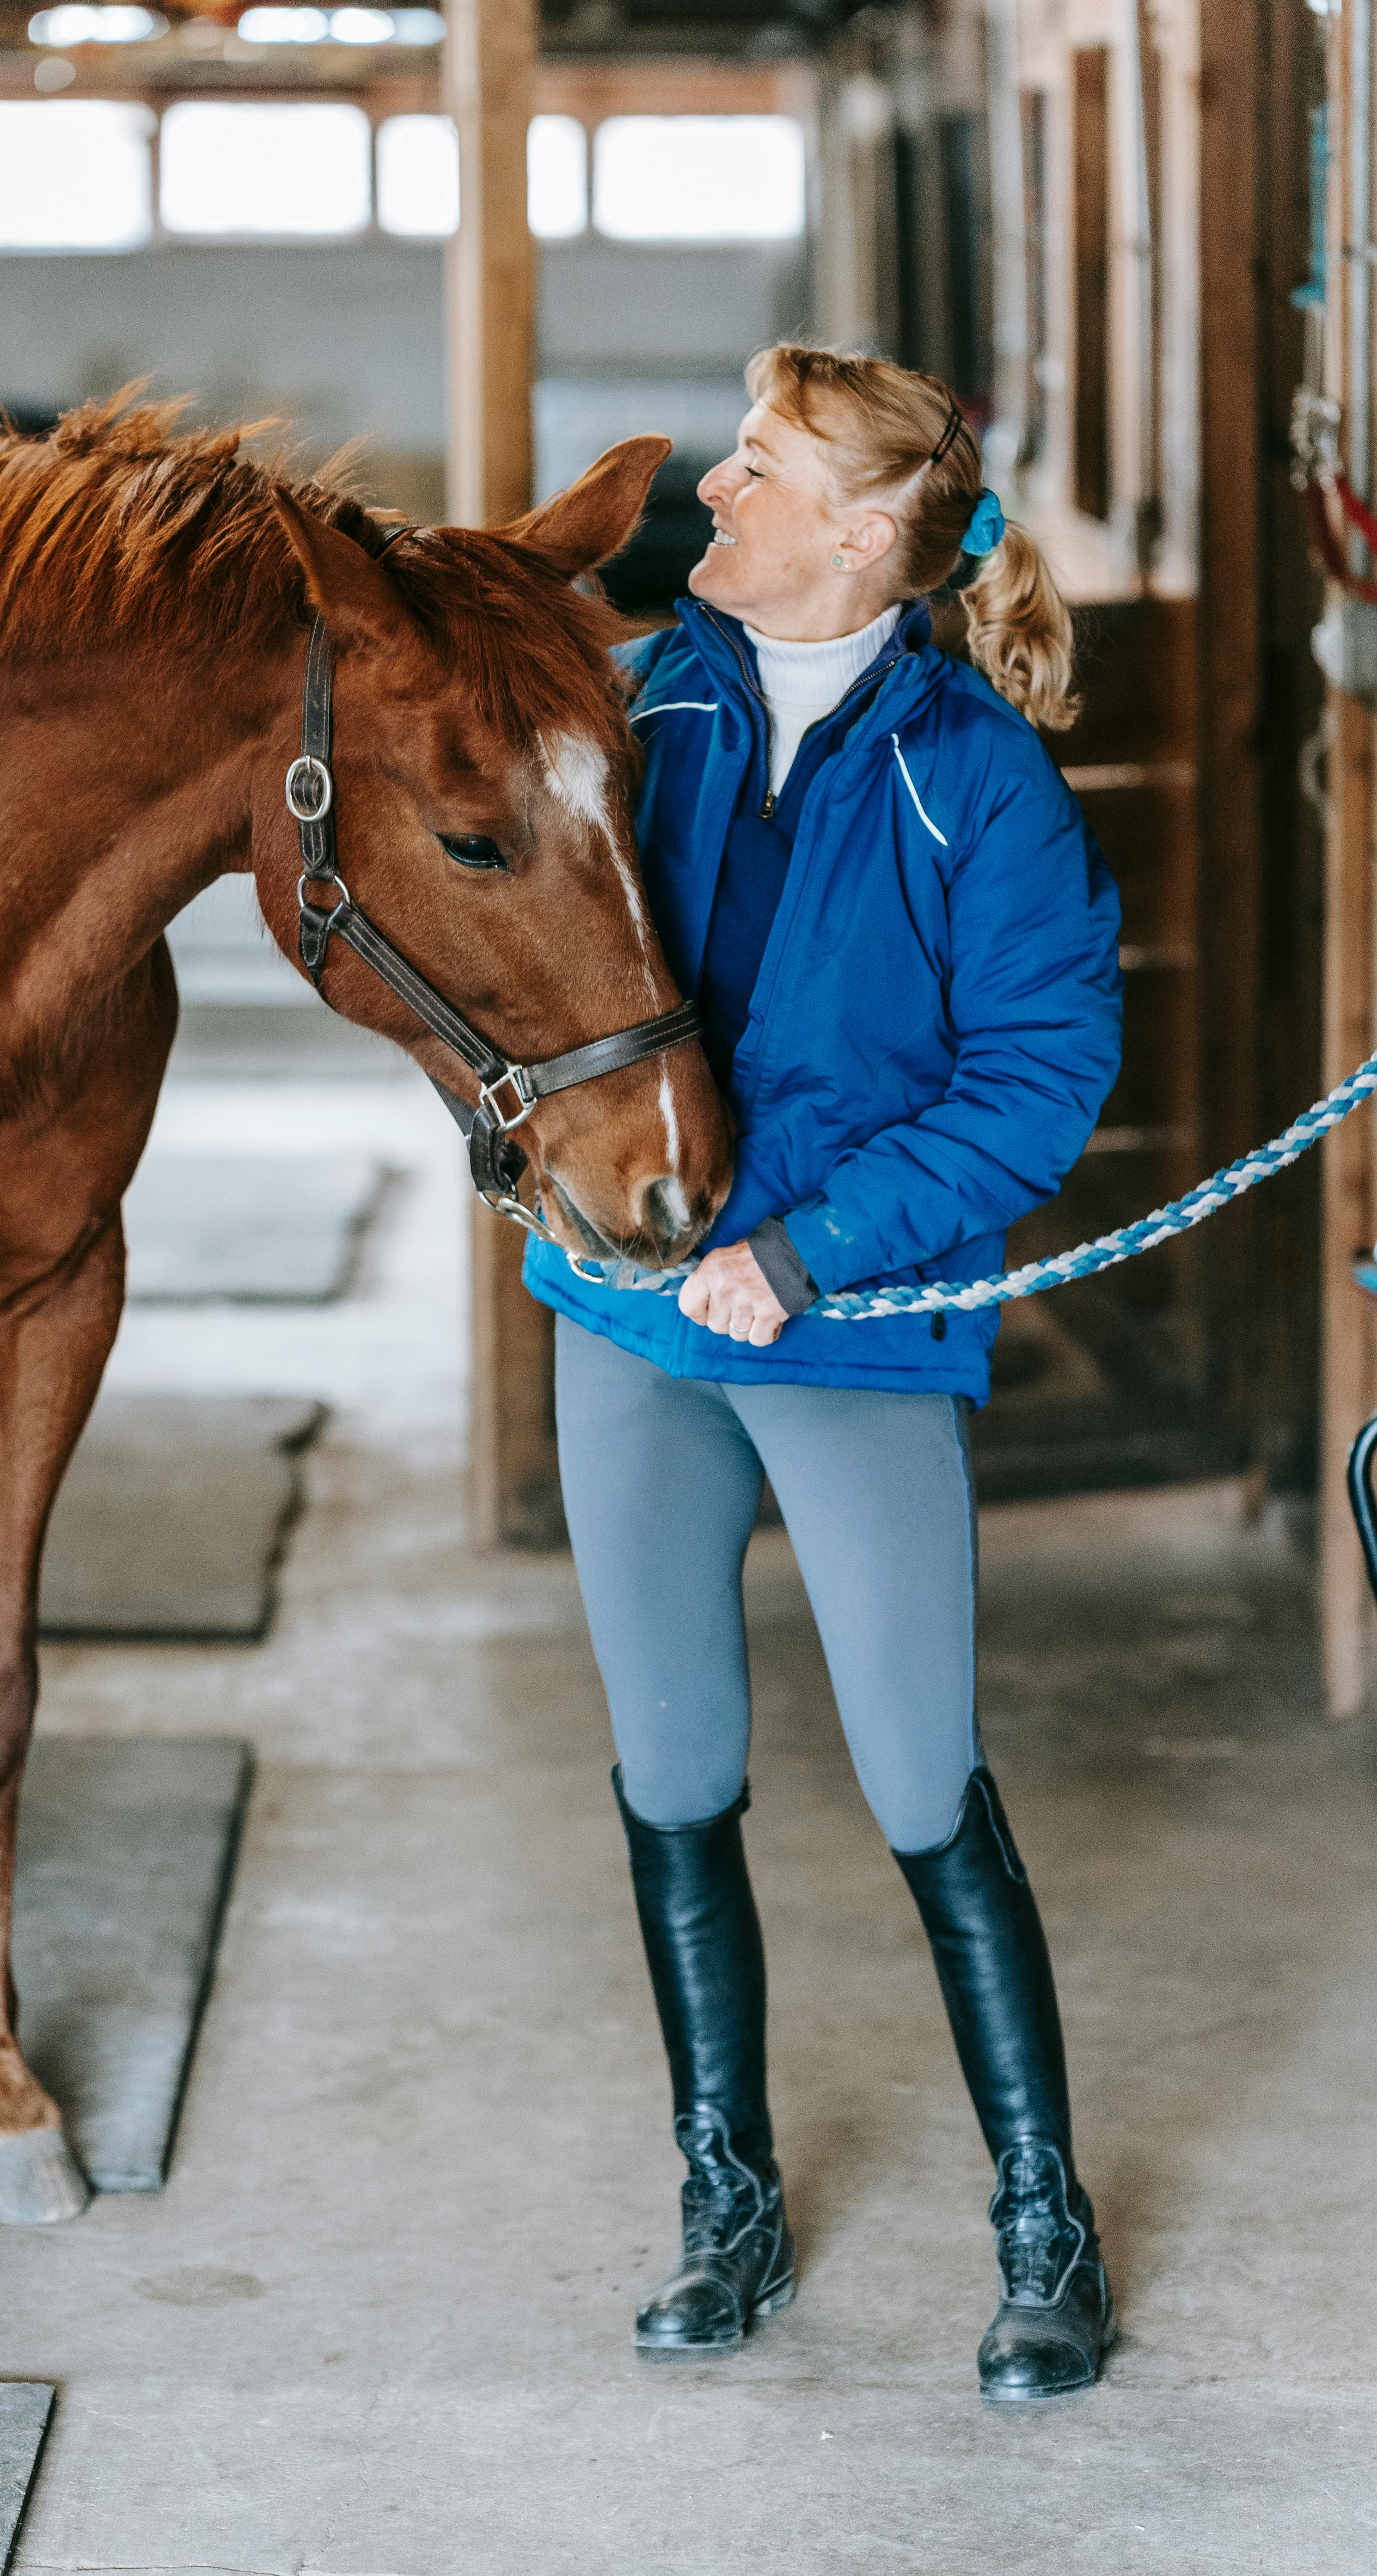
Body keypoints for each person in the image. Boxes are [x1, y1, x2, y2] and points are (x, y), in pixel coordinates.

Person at [525, 346, 1124, 2402]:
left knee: (915, 1777)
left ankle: (1043, 2222)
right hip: (625, 1320)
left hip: (851, 1334)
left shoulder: (981, 776)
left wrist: (806, 1248)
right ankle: (728, 2198)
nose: (714, 484)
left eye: (757, 466)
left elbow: (1039, 1078)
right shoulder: (640, 702)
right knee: (672, 1770)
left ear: (864, 535)